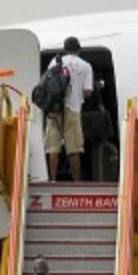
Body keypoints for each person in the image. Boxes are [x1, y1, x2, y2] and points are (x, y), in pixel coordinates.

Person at [44, 36, 94, 183]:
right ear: (79, 49)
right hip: (73, 108)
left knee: (53, 147)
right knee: (74, 148)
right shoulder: (85, 66)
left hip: (54, 109)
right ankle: (76, 181)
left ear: (65, 49)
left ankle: (52, 180)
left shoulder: (55, 61)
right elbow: (87, 92)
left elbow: (47, 83)